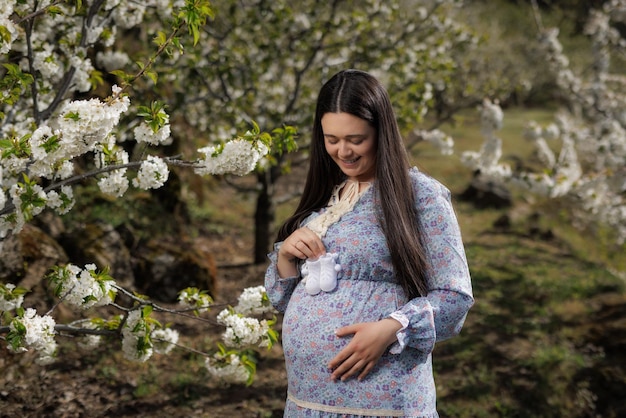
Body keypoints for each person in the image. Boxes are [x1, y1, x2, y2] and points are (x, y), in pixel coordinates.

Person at [265, 69, 474, 417]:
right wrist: (287, 257)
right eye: (331, 139)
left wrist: (391, 328)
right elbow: (285, 302)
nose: (342, 151)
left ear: (381, 133)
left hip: (383, 401)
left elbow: (455, 297)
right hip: (306, 401)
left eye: (355, 139)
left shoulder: (421, 196)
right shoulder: (327, 199)